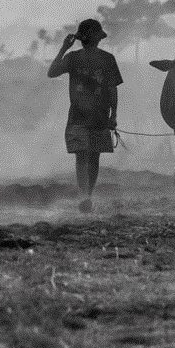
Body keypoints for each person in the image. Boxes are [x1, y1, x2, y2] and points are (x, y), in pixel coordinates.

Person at [47, 19, 123, 213]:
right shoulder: (107, 58)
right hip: (97, 116)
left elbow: (52, 72)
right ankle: (87, 195)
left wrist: (64, 48)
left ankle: (85, 196)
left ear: (81, 39)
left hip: (82, 116)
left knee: (83, 157)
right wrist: (113, 115)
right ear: (98, 38)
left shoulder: (75, 57)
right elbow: (112, 90)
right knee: (92, 157)